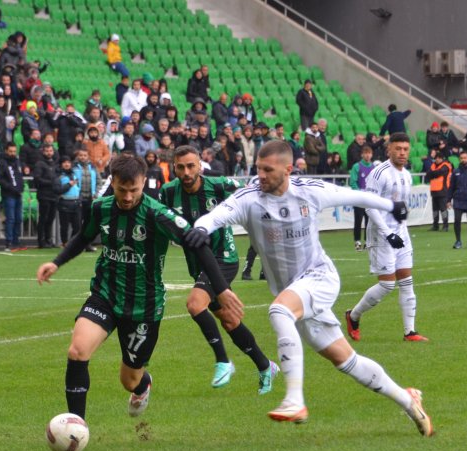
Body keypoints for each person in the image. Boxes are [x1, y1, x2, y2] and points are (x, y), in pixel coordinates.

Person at [185, 140, 431, 434]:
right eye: (258, 169)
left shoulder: (310, 191)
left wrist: (392, 206)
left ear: (287, 169)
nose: (260, 175)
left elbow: (355, 195)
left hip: (320, 277)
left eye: (267, 169)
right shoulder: (249, 198)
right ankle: (408, 400)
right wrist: (201, 228)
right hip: (293, 290)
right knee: (345, 360)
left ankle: (294, 400)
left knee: (279, 311)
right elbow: (216, 215)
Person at [36, 154, 244, 421]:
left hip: (144, 305)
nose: (127, 196)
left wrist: (222, 289)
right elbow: (84, 236)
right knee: (78, 351)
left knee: (129, 378)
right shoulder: (101, 207)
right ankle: (77, 425)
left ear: (144, 182)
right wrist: (56, 262)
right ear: (112, 183)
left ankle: (143, 385)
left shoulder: (158, 214)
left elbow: (199, 244)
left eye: (133, 189)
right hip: (105, 294)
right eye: (122, 190)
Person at [160, 145, 278, 391]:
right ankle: (265, 365)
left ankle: (223, 361)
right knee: (229, 320)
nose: (186, 172)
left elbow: (252, 192)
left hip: (224, 258)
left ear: (200, 164)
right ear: (174, 168)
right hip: (197, 264)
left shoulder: (219, 185)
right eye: (180, 167)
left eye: (191, 165)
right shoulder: (168, 193)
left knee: (194, 304)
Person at [346, 133, 427, 342]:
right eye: (398, 148)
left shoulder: (407, 175)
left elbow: (399, 206)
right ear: (389, 149)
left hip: (400, 232)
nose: (402, 153)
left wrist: (401, 224)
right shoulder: (378, 173)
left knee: (407, 281)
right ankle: (353, 315)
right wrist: (388, 233)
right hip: (381, 234)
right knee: (387, 285)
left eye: (405, 149)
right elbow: (369, 206)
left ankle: (410, 331)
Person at [0, 141, 24, 250]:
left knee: (18, 219)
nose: (12, 153)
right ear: (6, 151)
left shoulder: (17, 162)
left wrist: (21, 188)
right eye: (11, 151)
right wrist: (10, 187)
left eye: (14, 151)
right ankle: (9, 242)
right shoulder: (2, 162)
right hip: (8, 195)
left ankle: (16, 241)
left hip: (18, 194)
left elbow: (19, 176)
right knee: (11, 218)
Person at [348, 143, 376, 250]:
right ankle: (357, 241)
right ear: (362, 155)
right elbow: (353, 182)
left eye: (369, 153)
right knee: (358, 220)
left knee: (369, 221)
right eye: (366, 153)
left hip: (369, 199)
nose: (368, 155)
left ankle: (367, 241)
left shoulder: (373, 167)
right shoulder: (357, 166)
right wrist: (359, 193)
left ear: (371, 155)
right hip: (359, 199)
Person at [423, 150, 453, 232]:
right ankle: (435, 225)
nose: (436, 160)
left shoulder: (446, 166)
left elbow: (438, 173)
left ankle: (445, 226)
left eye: (438, 158)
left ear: (441, 158)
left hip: (443, 190)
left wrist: (432, 173)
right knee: (435, 210)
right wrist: (432, 173)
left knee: (443, 209)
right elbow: (428, 174)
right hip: (434, 190)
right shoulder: (433, 165)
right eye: (436, 158)